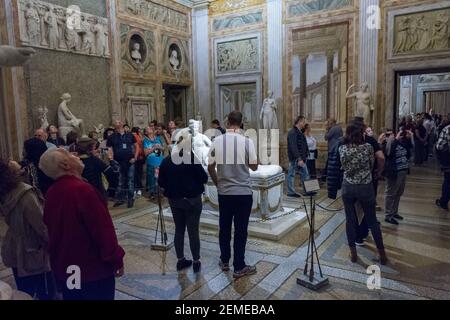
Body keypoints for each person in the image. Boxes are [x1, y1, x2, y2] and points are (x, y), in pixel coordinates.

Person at [39, 148, 125, 300]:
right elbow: (103, 232)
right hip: (92, 271)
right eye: (71, 154)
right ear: (65, 165)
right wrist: (115, 259)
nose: (76, 155)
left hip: (69, 269)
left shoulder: (52, 192)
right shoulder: (82, 190)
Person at [208, 111, 259, 279]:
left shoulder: (217, 140)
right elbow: (254, 167)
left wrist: (218, 183)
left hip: (225, 192)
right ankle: (239, 266)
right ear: (242, 122)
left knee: (224, 228)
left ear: (228, 122)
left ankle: (224, 261)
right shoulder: (247, 141)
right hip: (243, 192)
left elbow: (210, 167)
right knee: (240, 230)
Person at [0, 158, 56, 300]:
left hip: (13, 246)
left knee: (24, 290)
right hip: (33, 249)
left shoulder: (4, 192)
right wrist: (54, 243)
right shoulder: (25, 193)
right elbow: (41, 225)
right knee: (46, 290)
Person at [333, 122, 388, 265]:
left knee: (350, 220)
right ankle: (382, 254)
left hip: (348, 187)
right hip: (365, 186)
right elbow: (372, 164)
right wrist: (375, 173)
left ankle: (353, 253)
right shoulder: (368, 147)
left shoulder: (342, 148)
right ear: (360, 133)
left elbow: (343, 166)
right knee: (372, 220)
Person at [158, 135, 208, 273]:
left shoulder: (167, 161)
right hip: (192, 200)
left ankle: (180, 260)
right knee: (193, 231)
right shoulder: (192, 160)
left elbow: (161, 182)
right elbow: (203, 178)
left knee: (179, 230)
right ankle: (196, 261)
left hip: (175, 201)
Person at [382, 128, 413, 225]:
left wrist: (409, 138)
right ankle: (388, 215)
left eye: (391, 134)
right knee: (391, 193)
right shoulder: (386, 145)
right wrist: (394, 139)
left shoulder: (399, 143)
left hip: (403, 171)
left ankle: (394, 212)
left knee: (399, 192)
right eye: (388, 135)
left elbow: (409, 152)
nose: (390, 136)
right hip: (394, 172)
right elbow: (389, 153)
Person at [107, 120, 138, 208]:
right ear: (114, 125)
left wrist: (135, 157)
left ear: (122, 124)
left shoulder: (130, 135)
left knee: (130, 180)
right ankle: (121, 199)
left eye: (119, 122)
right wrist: (111, 159)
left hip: (130, 160)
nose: (117, 124)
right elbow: (109, 149)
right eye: (116, 123)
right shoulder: (111, 137)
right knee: (120, 181)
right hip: (118, 162)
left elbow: (136, 146)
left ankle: (130, 199)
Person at [76, 137, 119, 201]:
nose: (95, 150)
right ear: (89, 149)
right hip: (97, 191)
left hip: (81, 192)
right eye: (94, 148)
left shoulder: (75, 160)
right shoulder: (95, 161)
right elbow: (112, 172)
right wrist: (111, 160)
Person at [22, 129, 53, 195]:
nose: (23, 152)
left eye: (25, 149)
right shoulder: (46, 164)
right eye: (35, 135)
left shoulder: (31, 168)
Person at [287, 116, 310, 197]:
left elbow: (303, 144)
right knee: (291, 174)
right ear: (299, 122)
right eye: (303, 122)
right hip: (295, 158)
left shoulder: (299, 131)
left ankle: (307, 191)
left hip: (301, 158)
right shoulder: (292, 132)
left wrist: (306, 154)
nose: (304, 124)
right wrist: (299, 158)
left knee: (305, 173)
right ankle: (290, 192)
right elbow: (294, 147)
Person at [143, 126, 164, 199]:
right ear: (146, 132)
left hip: (160, 161)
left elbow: (163, 148)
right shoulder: (145, 141)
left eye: (150, 128)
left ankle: (159, 192)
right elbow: (145, 153)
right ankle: (152, 193)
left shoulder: (158, 138)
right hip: (151, 162)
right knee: (151, 178)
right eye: (148, 128)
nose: (150, 128)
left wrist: (159, 147)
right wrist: (153, 148)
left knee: (160, 178)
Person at [436, 121, 450, 210]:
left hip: (448, 160)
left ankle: (443, 202)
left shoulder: (447, 128)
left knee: (448, 181)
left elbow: (439, 146)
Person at [131, 127, 145, 196]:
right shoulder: (135, 136)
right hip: (137, 157)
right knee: (137, 174)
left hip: (136, 157)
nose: (140, 132)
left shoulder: (138, 136)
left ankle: (137, 189)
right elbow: (139, 147)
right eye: (139, 131)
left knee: (136, 174)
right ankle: (138, 188)